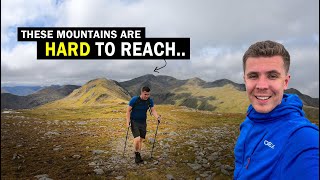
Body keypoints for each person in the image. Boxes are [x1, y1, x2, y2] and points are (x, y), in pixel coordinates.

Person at [234, 40, 319, 179]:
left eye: (272, 76)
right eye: (253, 76)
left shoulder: (304, 138)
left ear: (285, 82)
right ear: (245, 80)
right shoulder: (250, 120)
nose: (261, 85)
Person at [126, 86, 161, 164]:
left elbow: (153, 110)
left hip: (143, 122)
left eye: (148, 94)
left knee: (141, 139)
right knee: (137, 138)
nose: (147, 96)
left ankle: (139, 152)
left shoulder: (149, 101)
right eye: (145, 94)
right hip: (134, 121)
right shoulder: (134, 100)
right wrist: (128, 121)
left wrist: (157, 117)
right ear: (141, 93)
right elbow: (128, 111)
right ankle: (137, 154)